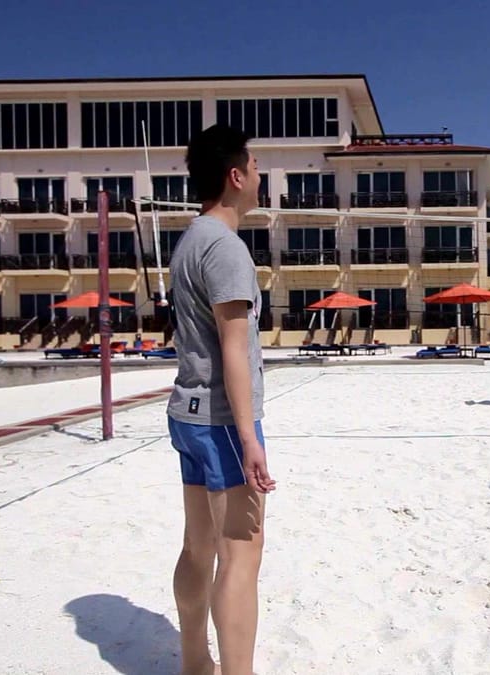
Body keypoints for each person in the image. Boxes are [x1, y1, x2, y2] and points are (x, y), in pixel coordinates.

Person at [166, 123, 277, 675]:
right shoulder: (226, 248)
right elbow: (235, 351)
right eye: (256, 167)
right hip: (221, 423)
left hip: (186, 414)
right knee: (241, 556)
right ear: (236, 176)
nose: (260, 176)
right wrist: (250, 438)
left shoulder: (188, 241)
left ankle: (194, 663)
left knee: (199, 546)